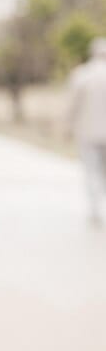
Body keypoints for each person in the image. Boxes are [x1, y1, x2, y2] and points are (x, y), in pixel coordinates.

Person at [64, 36, 106, 228]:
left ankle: (95, 209)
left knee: (91, 171)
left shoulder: (82, 75)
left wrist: (67, 128)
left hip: (88, 132)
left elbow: (72, 105)